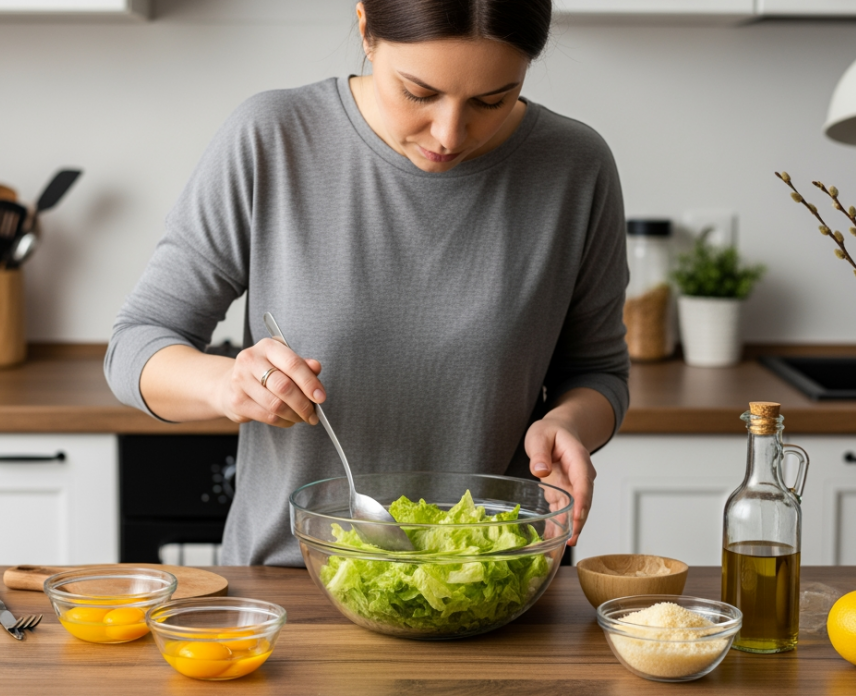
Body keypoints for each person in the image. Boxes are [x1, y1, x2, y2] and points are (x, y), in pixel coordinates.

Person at [105, 0, 630, 567]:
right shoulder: (272, 137)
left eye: (490, 101)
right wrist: (227, 384)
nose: (449, 134)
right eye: (419, 93)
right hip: (291, 580)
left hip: (497, 581)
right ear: (365, 29)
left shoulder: (576, 166)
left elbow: (598, 373)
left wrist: (567, 424)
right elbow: (136, 344)